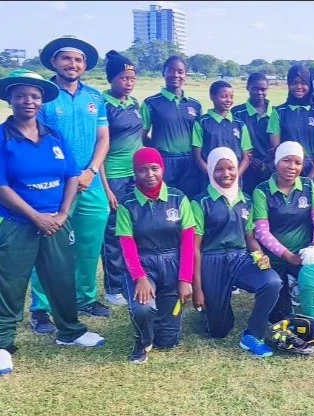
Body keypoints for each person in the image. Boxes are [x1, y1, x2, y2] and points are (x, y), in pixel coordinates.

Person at [0, 69, 106, 376]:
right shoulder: (3, 137)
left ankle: (70, 332)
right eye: (21, 95)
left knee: (61, 278)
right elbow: (2, 186)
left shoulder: (53, 135)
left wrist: (61, 214)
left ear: (42, 100)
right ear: (10, 99)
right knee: (11, 285)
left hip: (57, 222)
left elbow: (72, 175)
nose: (28, 101)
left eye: (34, 96)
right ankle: (4, 345)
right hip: (18, 223)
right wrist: (35, 217)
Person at [31, 36, 111, 331]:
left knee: (89, 246)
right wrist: (67, 175)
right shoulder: (43, 96)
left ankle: (85, 298)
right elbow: (35, 138)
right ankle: (40, 308)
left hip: (91, 182)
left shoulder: (95, 97)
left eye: (78, 60)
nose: (72, 64)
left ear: (85, 65)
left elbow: (103, 139)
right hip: (54, 183)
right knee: (49, 243)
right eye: (66, 59)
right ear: (54, 62)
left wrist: (91, 170)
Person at [191, 147, 281, 358]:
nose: (226, 174)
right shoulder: (201, 202)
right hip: (211, 261)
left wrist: (261, 257)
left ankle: (252, 336)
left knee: (272, 282)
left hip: (240, 257)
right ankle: (212, 310)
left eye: (230, 168)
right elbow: (195, 247)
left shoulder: (246, 200)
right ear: (211, 171)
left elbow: (250, 239)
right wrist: (197, 289)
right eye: (219, 169)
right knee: (218, 331)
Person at [115, 147, 194, 364]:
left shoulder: (179, 198)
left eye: (154, 168)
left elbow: (188, 242)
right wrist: (140, 278)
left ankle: (158, 319)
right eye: (143, 170)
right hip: (144, 263)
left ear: (163, 169)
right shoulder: (127, 203)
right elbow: (127, 245)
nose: (150, 175)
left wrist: (185, 280)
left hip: (173, 263)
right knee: (142, 307)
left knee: (167, 342)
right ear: (135, 173)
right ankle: (142, 340)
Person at [252, 141, 314, 322]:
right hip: (275, 258)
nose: (292, 167)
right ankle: (288, 289)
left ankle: (300, 290)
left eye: (298, 162)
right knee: (279, 316)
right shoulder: (261, 190)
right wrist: (287, 256)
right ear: (277, 162)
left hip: (304, 254)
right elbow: (262, 232)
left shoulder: (309, 186)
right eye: (287, 161)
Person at [100, 50, 142, 308]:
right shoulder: (103, 105)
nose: (128, 82)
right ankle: (113, 287)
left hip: (135, 177)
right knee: (114, 233)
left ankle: (131, 277)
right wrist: (106, 189)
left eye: (132, 77)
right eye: (123, 78)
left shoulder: (135, 104)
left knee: (134, 230)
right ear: (111, 79)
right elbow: (100, 149)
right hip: (114, 178)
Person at [141, 55, 202, 199]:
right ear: (164, 73)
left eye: (180, 71)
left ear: (185, 75)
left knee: (190, 199)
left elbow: (200, 137)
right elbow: (141, 135)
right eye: (171, 70)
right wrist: (157, 151)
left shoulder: (195, 105)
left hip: (191, 161)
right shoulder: (151, 103)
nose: (175, 75)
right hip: (165, 161)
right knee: (166, 201)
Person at [269, 65, 314, 188]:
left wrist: (311, 176)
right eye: (294, 83)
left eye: (303, 83)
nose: (299, 87)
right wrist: (288, 172)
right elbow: (276, 147)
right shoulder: (279, 112)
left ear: (309, 85)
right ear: (289, 85)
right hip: (287, 172)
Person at [192, 81, 252, 184]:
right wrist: (213, 175)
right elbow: (197, 156)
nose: (228, 100)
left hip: (233, 180)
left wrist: (235, 176)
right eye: (224, 96)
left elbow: (246, 157)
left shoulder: (240, 124)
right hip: (209, 179)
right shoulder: (202, 122)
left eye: (231, 97)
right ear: (212, 96)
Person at [232, 72, 279, 193]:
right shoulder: (237, 112)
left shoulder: (276, 112)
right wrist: (249, 160)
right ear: (248, 88)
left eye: (263, 89)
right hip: (245, 166)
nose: (259, 93)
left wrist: (269, 162)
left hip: (271, 167)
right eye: (255, 89)